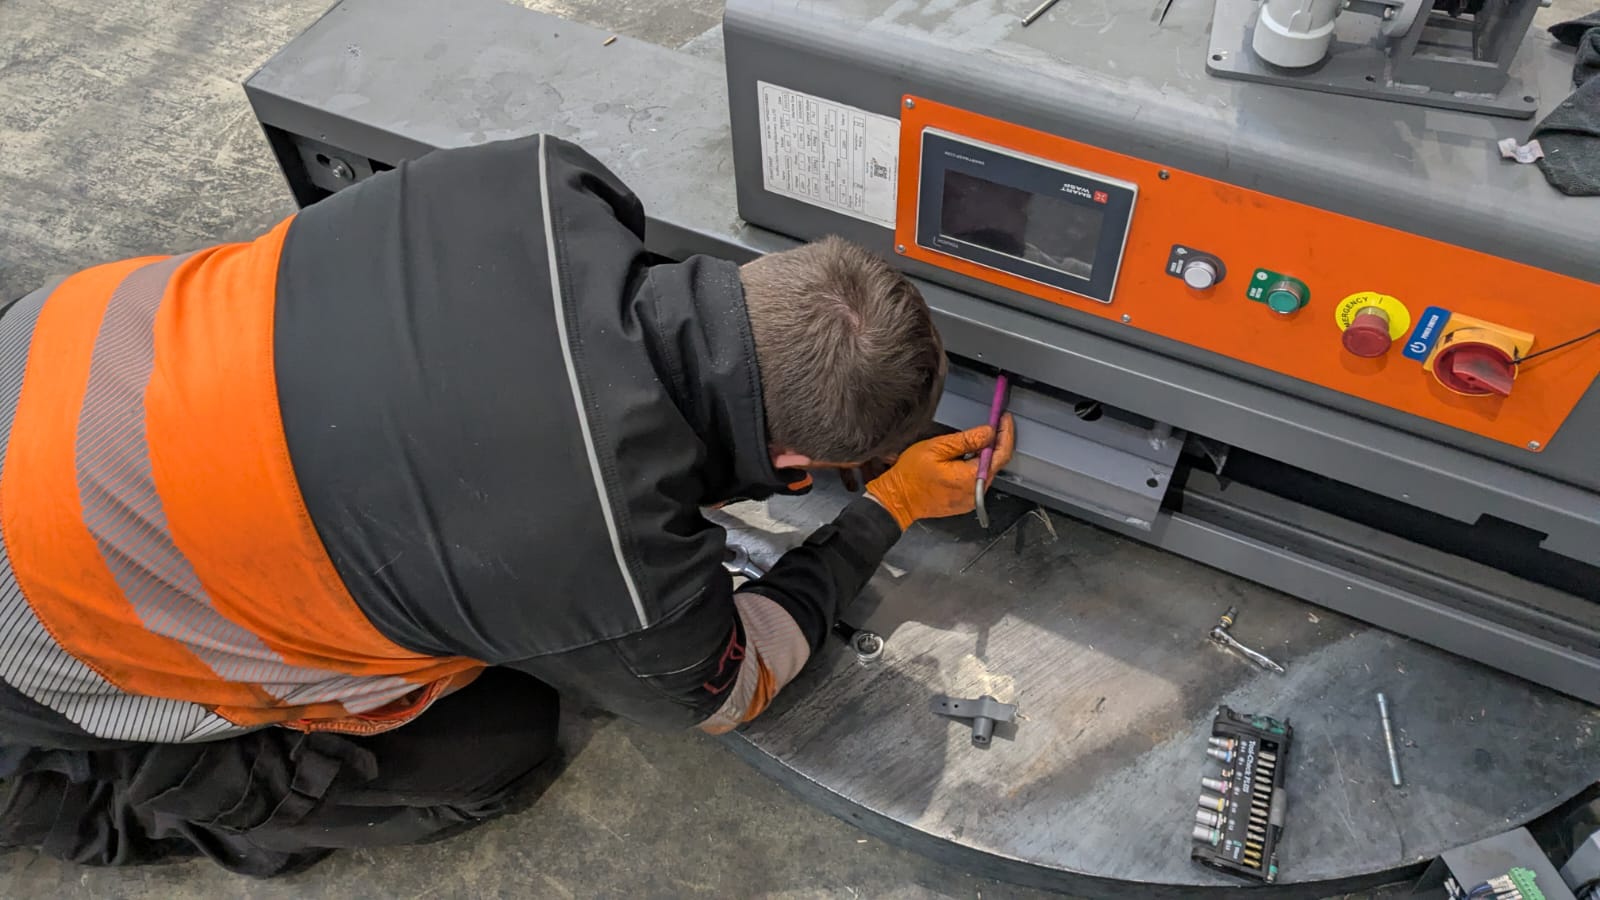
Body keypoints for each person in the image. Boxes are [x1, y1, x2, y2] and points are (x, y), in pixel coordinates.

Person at [0, 134, 1015, 876]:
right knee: (495, 744)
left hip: (55, 358)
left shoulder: (546, 177)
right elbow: (729, 687)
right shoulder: (614, 562)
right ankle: (56, 793)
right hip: (43, 618)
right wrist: (883, 507)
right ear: (798, 456)